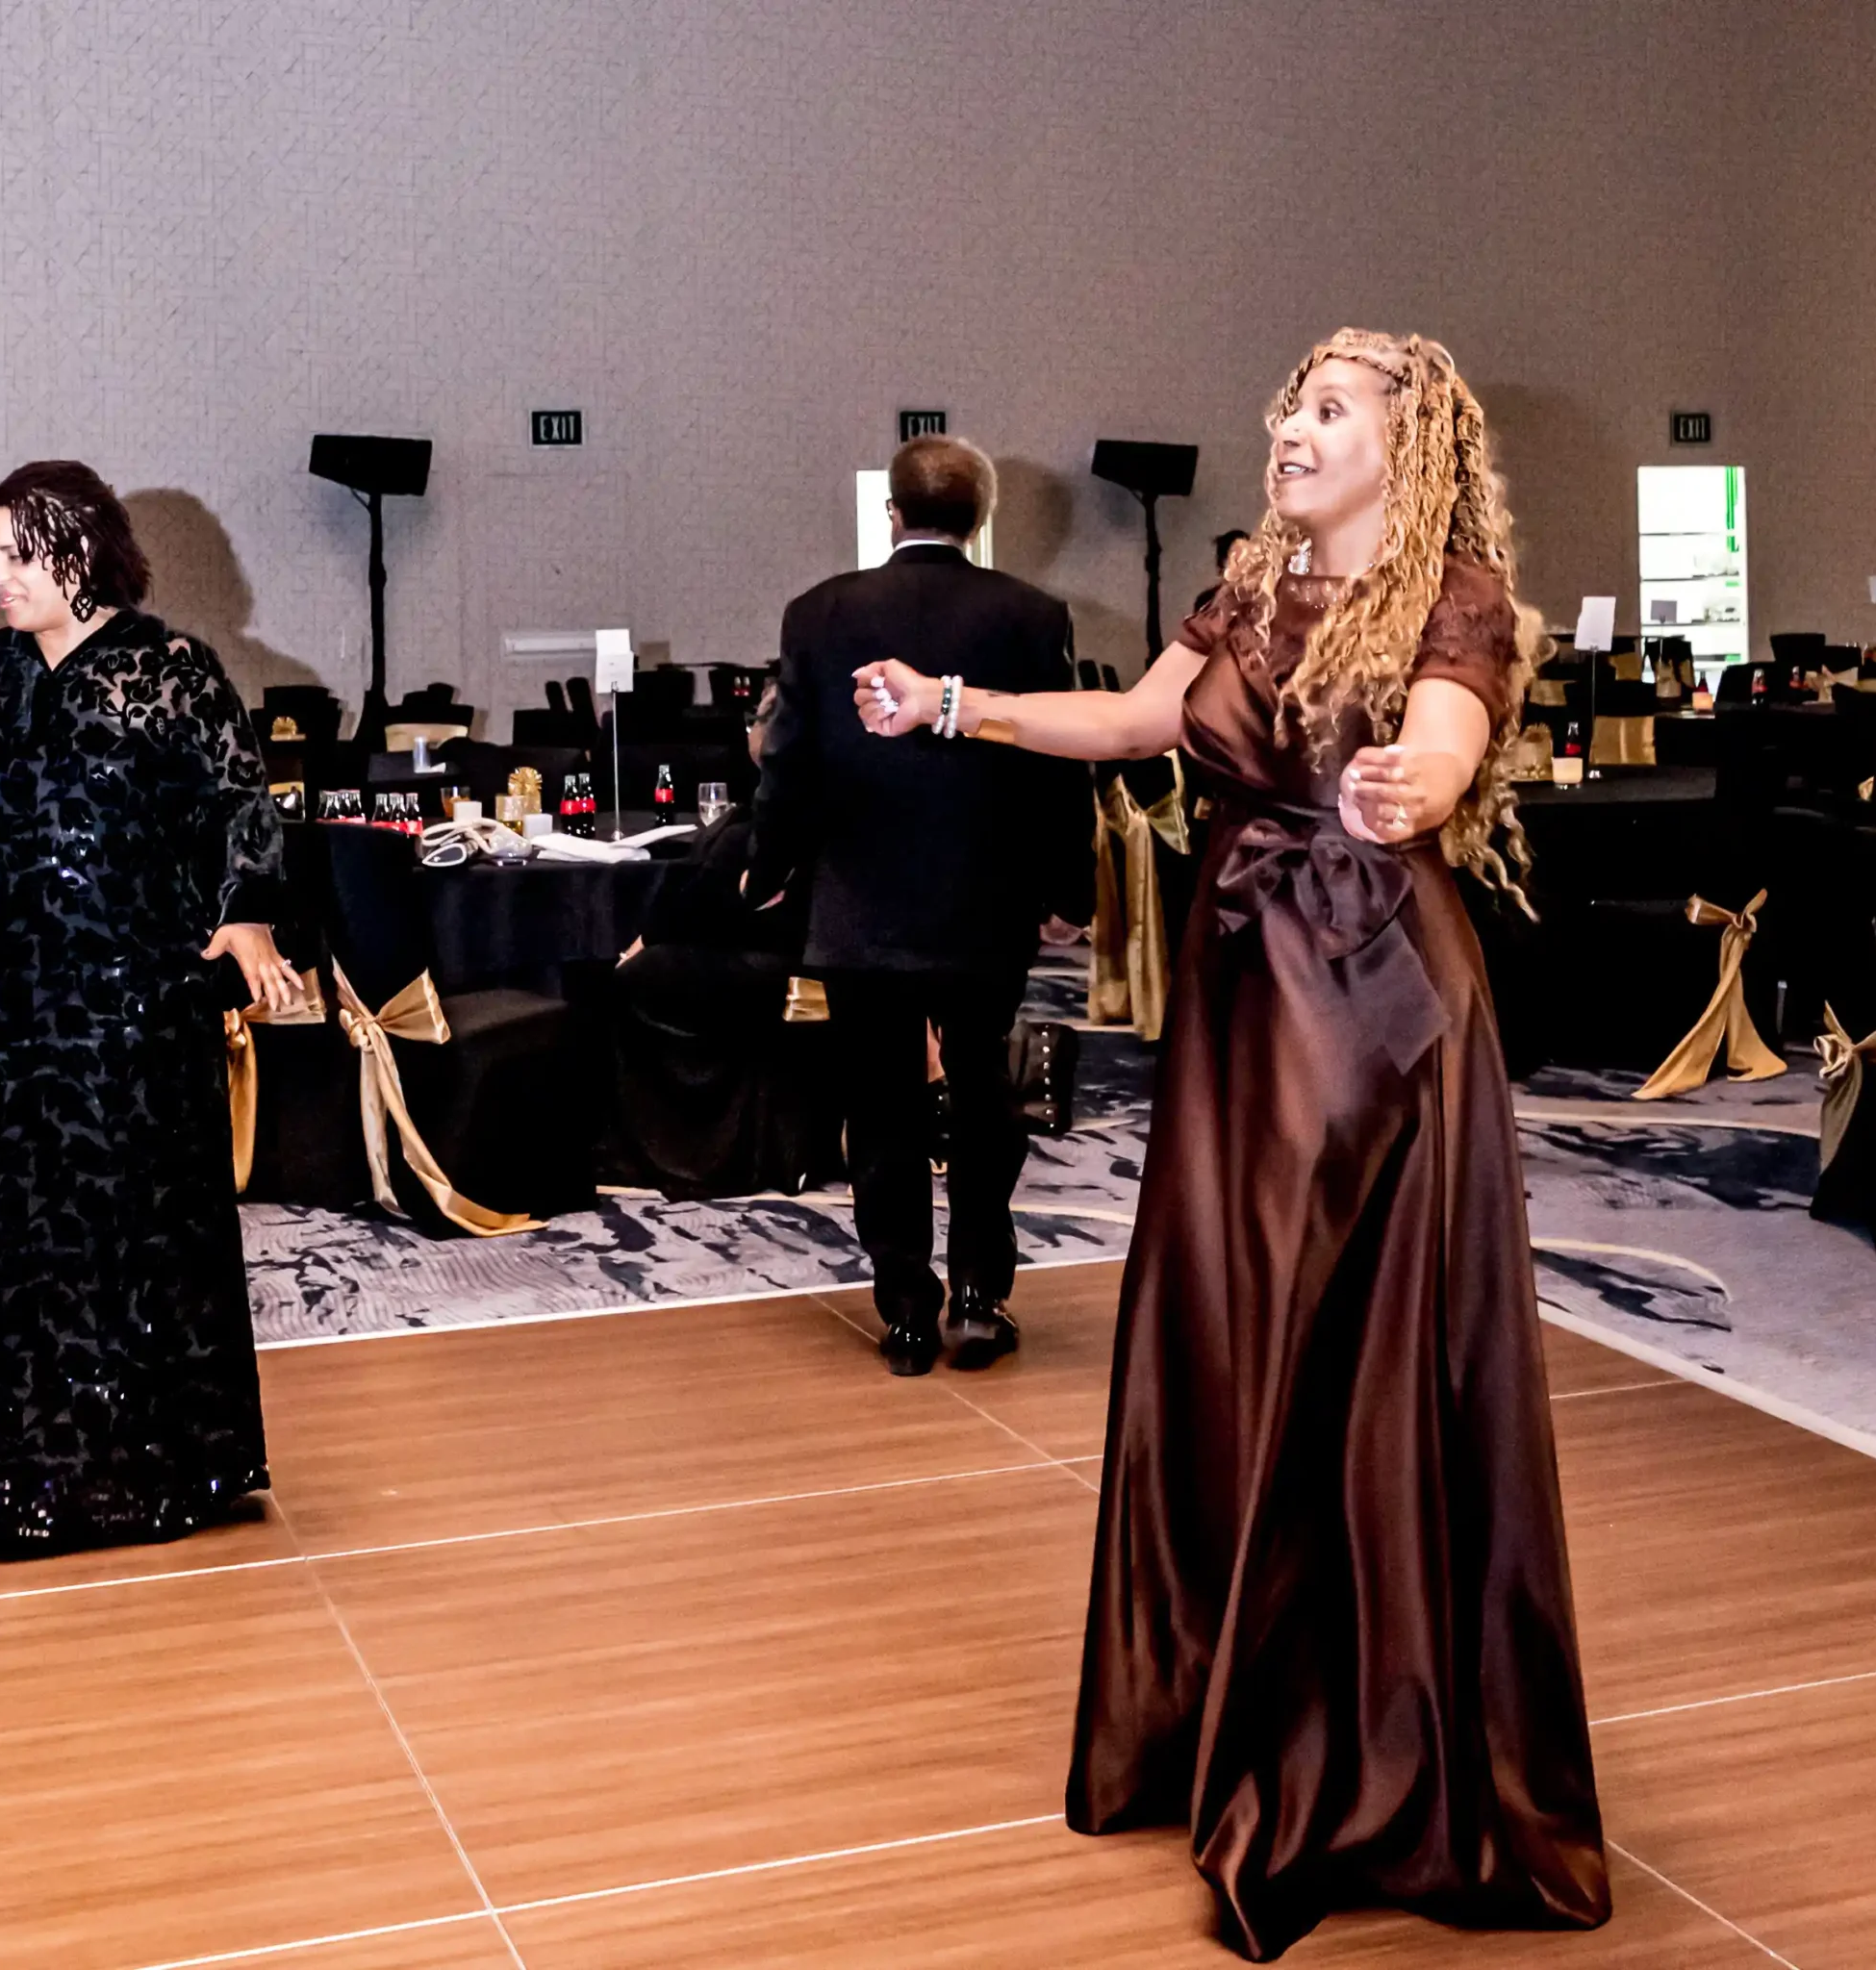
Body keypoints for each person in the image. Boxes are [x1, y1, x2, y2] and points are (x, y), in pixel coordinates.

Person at [855, 331, 1608, 1957]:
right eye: (1289, 406)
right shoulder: (1249, 590)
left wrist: (1416, 786)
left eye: (1329, 409)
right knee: (1227, 1323)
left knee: (1327, 1331)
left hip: (1371, 993)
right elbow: (1137, 725)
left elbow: (1449, 733)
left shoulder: (1453, 595)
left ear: (1405, 447)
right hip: (1242, 984)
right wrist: (952, 705)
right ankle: (1235, 1701)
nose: (1292, 429)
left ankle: (1358, 1745)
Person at [0, 461, 302, 1561]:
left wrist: (247, 912)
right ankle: (19, 1477)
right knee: (8, 1248)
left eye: (18, 555)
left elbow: (240, 804)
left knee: (132, 1237)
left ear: (82, 553)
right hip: (0, 1018)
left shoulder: (168, 672)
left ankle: (165, 1472)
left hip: (132, 1016)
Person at [749, 433, 1091, 1376]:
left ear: (891, 513)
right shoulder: (1030, 613)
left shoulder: (819, 612)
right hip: (985, 897)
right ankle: (979, 1296)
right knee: (983, 1092)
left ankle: (904, 1310)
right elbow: (1060, 763)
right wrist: (1069, 890)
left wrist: (768, 867)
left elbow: (789, 765)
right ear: (979, 517)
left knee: (881, 1104)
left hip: (862, 901)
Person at [603, 685, 823, 1199]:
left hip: (783, 958)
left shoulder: (787, 806)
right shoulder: (794, 793)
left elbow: (728, 900)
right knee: (650, 964)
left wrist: (648, 938)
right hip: (787, 948)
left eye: (757, 719)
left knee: (633, 977)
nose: (750, 729)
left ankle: (670, 1150)